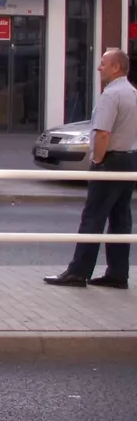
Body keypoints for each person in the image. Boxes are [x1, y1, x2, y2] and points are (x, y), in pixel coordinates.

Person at [45, 48, 137, 289]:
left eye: (103, 63)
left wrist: (97, 160)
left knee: (93, 217)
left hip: (110, 161)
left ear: (116, 67)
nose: (99, 68)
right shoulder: (132, 93)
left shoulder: (111, 95)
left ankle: (78, 272)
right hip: (129, 159)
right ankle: (118, 274)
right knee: (121, 218)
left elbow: (103, 132)